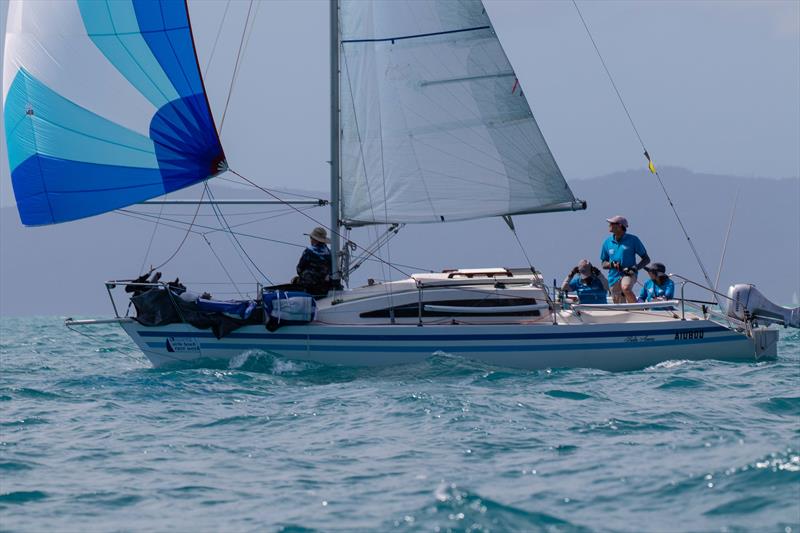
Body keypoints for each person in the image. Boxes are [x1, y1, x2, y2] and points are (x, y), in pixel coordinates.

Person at [600, 215, 650, 303]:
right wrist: (612, 264)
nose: (609, 225)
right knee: (620, 307)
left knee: (626, 288)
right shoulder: (607, 242)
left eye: (611, 223)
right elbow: (603, 263)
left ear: (619, 226)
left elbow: (646, 259)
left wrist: (635, 268)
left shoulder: (633, 240)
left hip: (629, 273)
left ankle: (638, 310)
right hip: (613, 277)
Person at [293, 226, 333, 296]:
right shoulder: (329, 253)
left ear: (315, 239)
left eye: (311, 238)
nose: (310, 239)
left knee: (295, 281)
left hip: (309, 285)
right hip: (325, 286)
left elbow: (299, 269)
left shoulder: (309, 252)